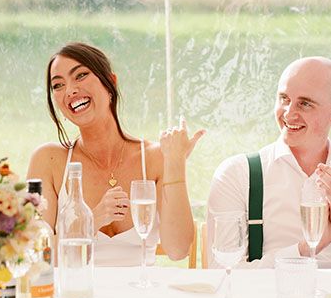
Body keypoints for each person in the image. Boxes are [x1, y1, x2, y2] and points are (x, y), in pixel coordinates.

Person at [27, 42, 203, 266]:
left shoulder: (154, 157)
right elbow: (36, 256)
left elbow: (178, 249)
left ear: (110, 83)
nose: (69, 90)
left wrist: (175, 162)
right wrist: (93, 220)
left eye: (80, 75)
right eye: (58, 85)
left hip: (142, 295)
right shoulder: (48, 160)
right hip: (75, 296)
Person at [207, 56, 331, 267]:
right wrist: (309, 246)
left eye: (305, 104)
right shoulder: (237, 175)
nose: (289, 113)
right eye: (284, 99)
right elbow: (224, 270)